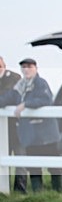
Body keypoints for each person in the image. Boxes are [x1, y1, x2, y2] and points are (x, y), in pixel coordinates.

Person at [0, 58, 62, 192]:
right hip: (31, 134)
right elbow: (8, 98)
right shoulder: (20, 86)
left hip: (45, 133)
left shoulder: (41, 83)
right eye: (24, 67)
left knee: (53, 165)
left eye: (29, 67)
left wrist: (25, 104)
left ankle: (59, 192)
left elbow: (45, 99)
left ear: (36, 68)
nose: (26, 70)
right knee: (34, 166)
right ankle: (38, 194)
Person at [0, 56, 27, 192]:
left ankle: (20, 190)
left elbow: (7, 97)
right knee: (3, 158)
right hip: (2, 129)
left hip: (18, 126)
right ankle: (3, 189)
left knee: (20, 157)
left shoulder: (14, 78)